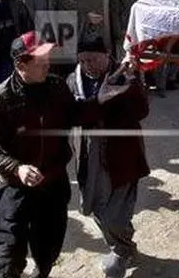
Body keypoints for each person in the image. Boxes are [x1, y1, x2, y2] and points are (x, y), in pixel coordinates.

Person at [0, 31, 124, 278]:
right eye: (40, 60)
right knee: (10, 253)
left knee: (48, 247)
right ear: (21, 65)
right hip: (14, 186)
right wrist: (16, 167)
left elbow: (74, 114)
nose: (48, 64)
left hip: (52, 182)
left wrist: (98, 101)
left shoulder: (56, 86)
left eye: (48, 58)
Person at [66, 37, 149, 278]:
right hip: (89, 155)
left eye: (92, 59)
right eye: (82, 61)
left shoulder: (125, 75)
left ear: (106, 55)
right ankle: (125, 246)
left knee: (115, 216)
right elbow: (73, 116)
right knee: (96, 208)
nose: (87, 65)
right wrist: (98, 101)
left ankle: (120, 250)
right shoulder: (73, 81)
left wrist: (132, 85)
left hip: (122, 155)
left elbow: (141, 111)